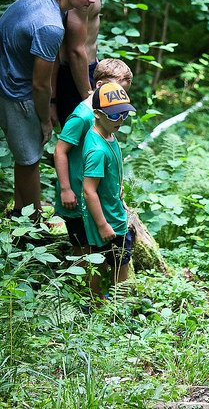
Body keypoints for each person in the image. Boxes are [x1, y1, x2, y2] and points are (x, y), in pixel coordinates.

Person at [0, 0, 98, 219]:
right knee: (29, 159)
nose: (92, 0)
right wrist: (45, 119)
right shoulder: (51, 27)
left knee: (27, 154)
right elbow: (40, 84)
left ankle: (19, 212)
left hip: (8, 75)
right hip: (14, 90)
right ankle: (33, 225)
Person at [54, 59, 132, 288]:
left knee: (101, 248)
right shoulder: (83, 117)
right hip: (78, 195)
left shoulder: (107, 123)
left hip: (96, 191)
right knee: (85, 252)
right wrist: (66, 189)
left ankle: (102, 293)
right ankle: (88, 297)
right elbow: (60, 150)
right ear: (99, 85)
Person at [82, 81, 135, 299]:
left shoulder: (107, 135)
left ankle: (114, 306)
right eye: (114, 115)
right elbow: (89, 191)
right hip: (107, 219)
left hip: (113, 210)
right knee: (106, 262)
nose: (120, 120)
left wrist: (117, 188)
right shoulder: (97, 150)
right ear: (96, 113)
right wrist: (103, 224)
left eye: (123, 114)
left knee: (114, 260)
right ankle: (111, 305)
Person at [54, 0, 103, 127]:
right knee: (80, 136)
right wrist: (88, 98)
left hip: (91, 67)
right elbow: (75, 50)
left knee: (97, 136)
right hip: (75, 74)